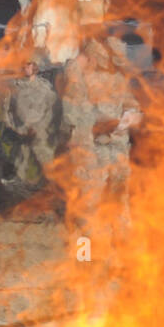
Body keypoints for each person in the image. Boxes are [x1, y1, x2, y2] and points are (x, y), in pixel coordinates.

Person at [57, 38, 141, 219]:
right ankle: (87, 244)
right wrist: (98, 126)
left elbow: (133, 107)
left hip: (117, 149)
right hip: (90, 150)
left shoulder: (118, 80)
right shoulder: (78, 78)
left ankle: (122, 243)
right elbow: (72, 113)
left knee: (119, 202)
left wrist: (127, 118)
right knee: (87, 205)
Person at [2, 59, 59, 189]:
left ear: (35, 66)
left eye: (28, 64)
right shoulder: (13, 87)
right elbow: (5, 110)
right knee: (18, 166)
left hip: (40, 132)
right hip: (19, 132)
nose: (24, 67)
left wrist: (41, 129)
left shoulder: (45, 88)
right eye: (23, 64)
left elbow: (52, 111)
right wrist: (13, 129)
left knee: (47, 166)